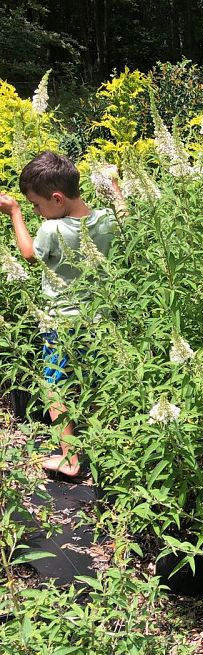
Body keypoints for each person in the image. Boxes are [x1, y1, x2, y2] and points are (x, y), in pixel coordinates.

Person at [0, 151, 124, 479]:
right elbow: (127, 216)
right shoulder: (106, 218)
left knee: (56, 388)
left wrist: (14, 212)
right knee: (95, 384)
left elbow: (28, 255)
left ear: (56, 199)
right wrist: (113, 183)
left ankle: (71, 460)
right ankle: (103, 448)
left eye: (37, 205)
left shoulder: (51, 230)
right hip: (98, 320)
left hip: (60, 324)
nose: (36, 211)